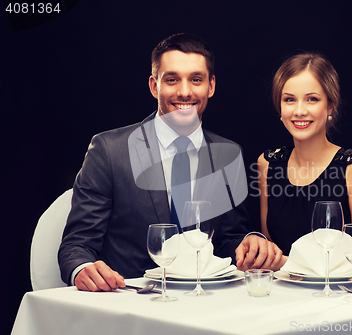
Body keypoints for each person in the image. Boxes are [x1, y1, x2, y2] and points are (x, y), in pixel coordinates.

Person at [58, 33, 283, 292]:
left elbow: (226, 240)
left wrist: (249, 242)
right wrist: (82, 268)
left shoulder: (228, 154)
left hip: (205, 304)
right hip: (131, 305)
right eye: (172, 79)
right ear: (155, 86)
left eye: (196, 80)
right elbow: (76, 246)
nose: (185, 92)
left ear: (211, 86)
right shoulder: (109, 150)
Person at [257, 52, 352, 277]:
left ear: (330, 107)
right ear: (280, 108)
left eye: (312, 99)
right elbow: (270, 251)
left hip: (346, 294)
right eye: (289, 99)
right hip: (287, 291)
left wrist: (286, 262)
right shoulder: (267, 163)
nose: (299, 110)